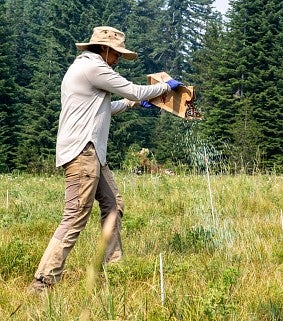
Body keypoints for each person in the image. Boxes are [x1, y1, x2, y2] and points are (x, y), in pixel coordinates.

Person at [28, 26, 183, 293]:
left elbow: (105, 107)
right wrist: (163, 87)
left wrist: (134, 104)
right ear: (106, 49)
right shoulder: (94, 67)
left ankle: (115, 268)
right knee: (75, 216)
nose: (119, 59)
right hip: (83, 153)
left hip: (91, 154)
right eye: (118, 53)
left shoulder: (84, 68)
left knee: (113, 205)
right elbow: (133, 89)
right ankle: (43, 281)